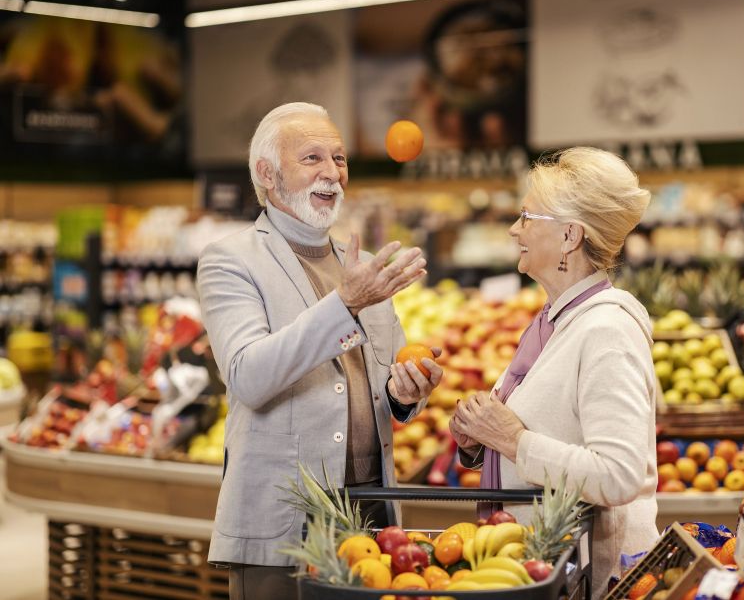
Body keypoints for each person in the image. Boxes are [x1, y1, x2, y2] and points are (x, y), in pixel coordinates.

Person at [198, 102, 443, 599]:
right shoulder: (230, 261)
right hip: (283, 523)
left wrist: (407, 391)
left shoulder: (364, 266)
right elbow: (248, 376)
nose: (333, 173)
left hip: (371, 516)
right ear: (267, 174)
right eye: (313, 158)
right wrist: (345, 303)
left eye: (340, 158)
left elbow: (389, 380)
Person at [450, 147, 659, 598]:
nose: (514, 229)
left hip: (594, 581)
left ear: (569, 236)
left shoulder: (607, 329)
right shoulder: (555, 320)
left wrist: (511, 440)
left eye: (527, 217)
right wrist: (478, 438)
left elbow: (618, 475)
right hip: (548, 571)